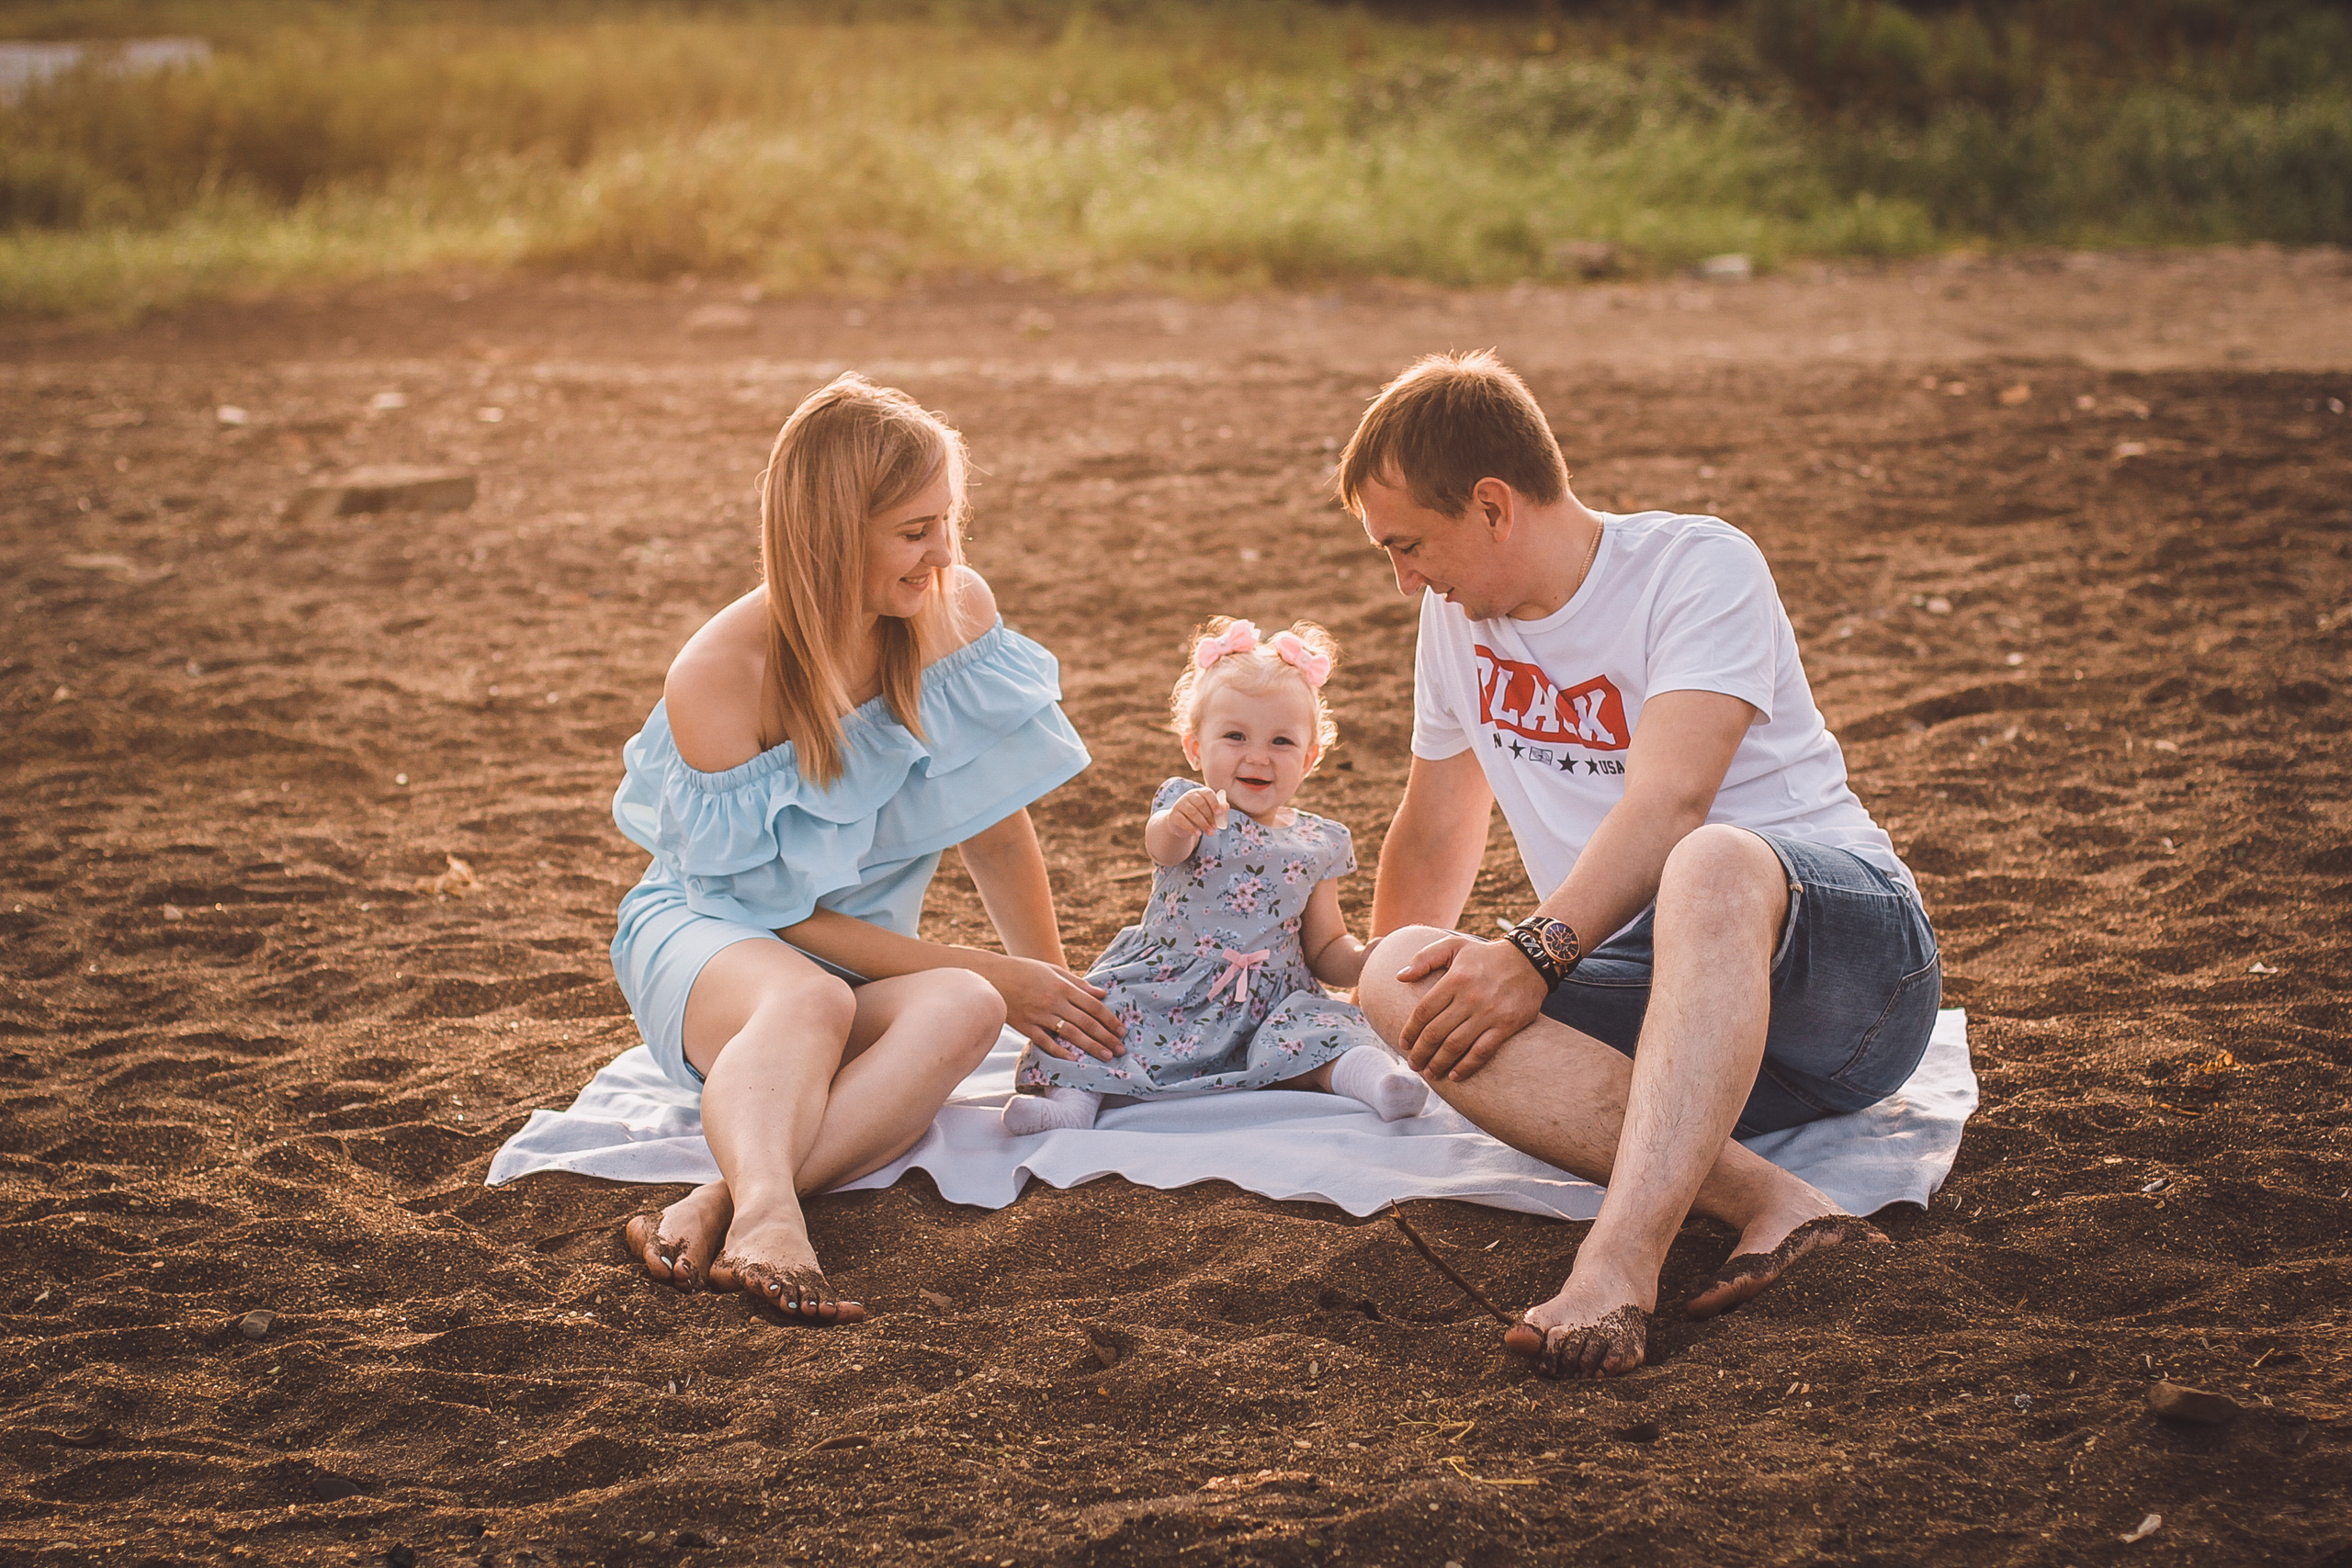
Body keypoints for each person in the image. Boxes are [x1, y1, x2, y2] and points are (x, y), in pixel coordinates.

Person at [1342, 351, 1940, 1378]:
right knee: (1399, 974)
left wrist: (1533, 952)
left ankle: (1621, 1260)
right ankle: (1772, 1202)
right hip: (1670, 1006)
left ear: (1493, 506)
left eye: (1408, 546)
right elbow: (1439, 825)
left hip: (1848, 978)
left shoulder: (1695, 565)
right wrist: (1374, 1005)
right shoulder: (1455, 622)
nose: (1403, 581)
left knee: (1704, 860)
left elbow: (1673, 800)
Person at [607, 372, 1121, 1325]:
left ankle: (729, 1195)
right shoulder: (720, 674)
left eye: (948, 521)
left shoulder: (953, 611)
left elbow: (999, 832)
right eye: (914, 530)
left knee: (967, 1002)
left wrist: (1042, 997)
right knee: (806, 997)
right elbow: (774, 911)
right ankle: (771, 1215)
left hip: (861, 961)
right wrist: (984, 964)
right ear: (832, 531)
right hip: (714, 934)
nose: (943, 554)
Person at [1002, 617, 1427, 1133]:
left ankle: (1380, 1083)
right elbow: (1162, 845)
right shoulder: (1191, 807)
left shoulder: (1320, 840)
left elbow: (1325, 944)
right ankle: (1070, 1106)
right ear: (1195, 748)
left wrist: (1362, 960)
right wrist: (1178, 823)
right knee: (1096, 1021)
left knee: (1328, 1031)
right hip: (1165, 988)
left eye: (1281, 742)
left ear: (1310, 758)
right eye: (1234, 736)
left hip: (1266, 1003)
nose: (1257, 756)